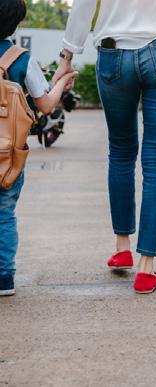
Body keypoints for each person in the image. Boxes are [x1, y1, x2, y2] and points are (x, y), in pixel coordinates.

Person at [53, 0, 156, 294]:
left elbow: (84, 5)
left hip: (114, 53)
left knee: (120, 152)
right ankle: (146, 267)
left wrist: (67, 58)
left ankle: (122, 247)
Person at [0, 0, 77, 296]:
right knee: (4, 213)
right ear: (15, 23)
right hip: (7, 154)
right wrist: (62, 82)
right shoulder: (20, 59)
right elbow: (45, 104)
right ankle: (3, 277)